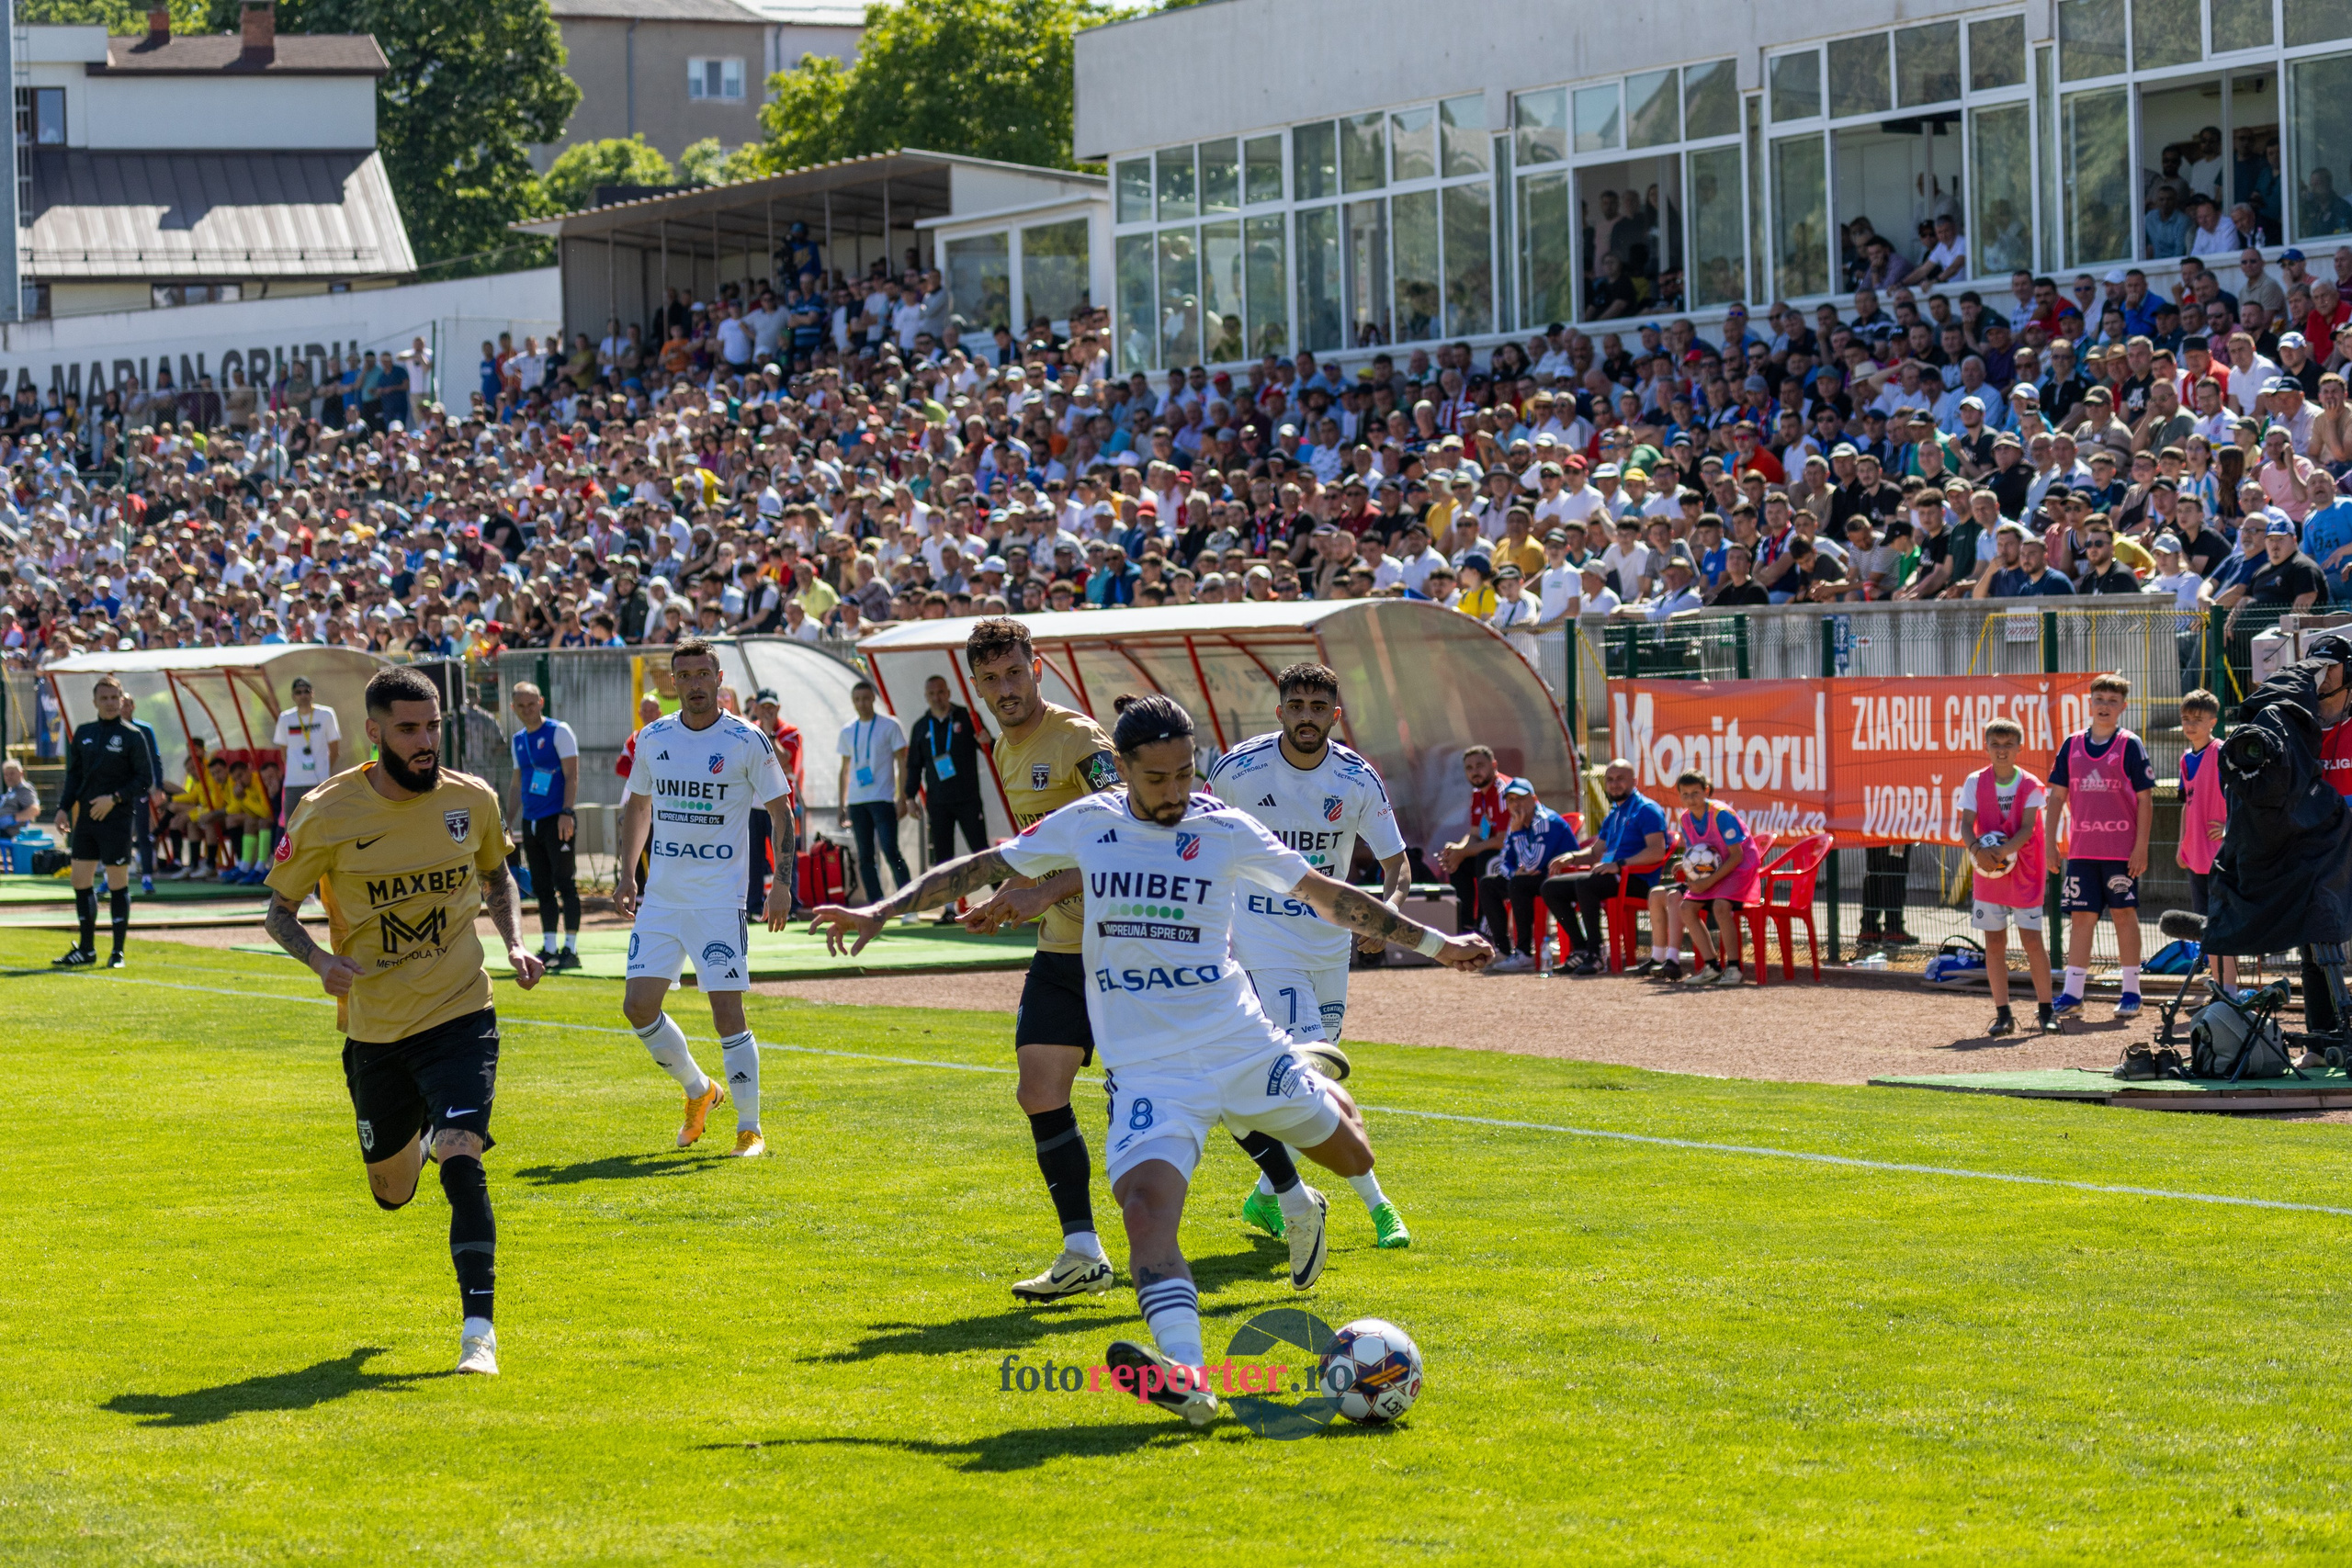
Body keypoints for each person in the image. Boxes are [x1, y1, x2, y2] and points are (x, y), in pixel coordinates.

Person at [808, 693, 1492, 1426]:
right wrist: (880, 910)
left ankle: (1307, 1080)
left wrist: (1436, 942)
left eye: (1184, 773)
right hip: (1149, 1070)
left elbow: (1333, 897)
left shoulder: (1225, 828)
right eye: (1158, 777)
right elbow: (976, 866)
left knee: (1353, 1155)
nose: (1174, 791)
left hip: (1237, 1041)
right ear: (1125, 768)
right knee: (1143, 1212)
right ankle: (1190, 1379)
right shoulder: (1092, 821)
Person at [259, 665, 543, 1377]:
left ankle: (479, 1332)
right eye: (410, 729)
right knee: (393, 1191)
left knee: (461, 1152)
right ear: (375, 731)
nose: (426, 742)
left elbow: (497, 873)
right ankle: (416, 1133)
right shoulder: (328, 812)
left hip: (460, 1011)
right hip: (376, 1028)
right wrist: (321, 962)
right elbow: (278, 912)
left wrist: (512, 939)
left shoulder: (470, 798)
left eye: (434, 726)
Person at [1205, 660, 1414, 1248]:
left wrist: (1388, 911)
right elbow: (1192, 833)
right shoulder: (1239, 771)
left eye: (1317, 708)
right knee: (1308, 1076)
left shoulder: (1356, 779)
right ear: (1280, 712)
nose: (1306, 718)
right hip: (1263, 942)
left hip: (1330, 945)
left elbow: (1397, 863)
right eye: (1296, 707)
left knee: (1306, 1077)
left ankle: (1265, 1196)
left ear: (1334, 716)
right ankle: (1380, 1209)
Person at [947, 618, 1125, 1302]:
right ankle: (1083, 1250)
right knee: (1039, 1088)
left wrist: (1044, 889)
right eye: (989, 679)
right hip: (1060, 946)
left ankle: (1290, 1189)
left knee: (1184, 1094)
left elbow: (1128, 831)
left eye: (1013, 672)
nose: (1004, 688)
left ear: (1037, 666)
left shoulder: (1080, 738)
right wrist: (1006, 896)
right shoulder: (1001, 746)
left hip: (1123, 945)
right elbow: (1040, 847)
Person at [612, 637, 797, 1158]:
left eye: (703, 674)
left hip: (719, 901)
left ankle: (749, 1126)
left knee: (726, 1015)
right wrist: (628, 875)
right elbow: (639, 807)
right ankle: (700, 1091)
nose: (694, 684)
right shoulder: (652, 737)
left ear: (718, 678)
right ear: (674, 682)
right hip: (662, 900)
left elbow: (783, 812)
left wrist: (782, 882)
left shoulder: (747, 740)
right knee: (637, 1006)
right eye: (684, 675)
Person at [2049, 672, 2155, 1021]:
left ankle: (2131, 992)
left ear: (2123, 707)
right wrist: (2050, 843)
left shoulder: (2129, 744)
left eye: (2113, 700)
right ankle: (2073, 993)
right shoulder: (2072, 744)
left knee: (2124, 915)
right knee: (2081, 917)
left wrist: (2141, 847)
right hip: (2081, 850)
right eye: (2100, 699)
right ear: (2089, 703)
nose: (2105, 706)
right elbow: (2057, 796)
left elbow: (2145, 799)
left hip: (2120, 850)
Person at [1959, 718, 2058, 1037]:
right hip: (1989, 871)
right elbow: (1966, 825)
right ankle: (2003, 1015)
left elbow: (2028, 828)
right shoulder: (1975, 782)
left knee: (2032, 940)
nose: (2002, 751)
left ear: (2019, 748)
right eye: (1995, 745)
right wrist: (1977, 849)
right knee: (1994, 942)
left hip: (2024, 870)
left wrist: (2002, 853)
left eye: (2008, 745)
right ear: (1985, 747)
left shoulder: (2030, 784)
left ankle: (2046, 1011)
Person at [51, 673, 152, 968]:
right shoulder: (83, 733)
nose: (109, 703)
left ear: (122, 701)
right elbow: (74, 776)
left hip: (117, 819)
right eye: (104, 698)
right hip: (86, 821)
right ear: (94, 701)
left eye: (114, 698)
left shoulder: (133, 736)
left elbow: (145, 780)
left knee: (117, 882)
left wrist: (115, 798)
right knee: (79, 880)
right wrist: (62, 808)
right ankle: (86, 949)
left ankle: (117, 952)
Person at [1539, 759, 1671, 975]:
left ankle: (1596, 953)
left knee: (1586, 884)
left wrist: (1619, 865)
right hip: (1611, 876)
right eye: (1610, 780)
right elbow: (1594, 852)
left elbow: (1656, 852)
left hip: (1637, 880)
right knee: (1550, 888)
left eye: (1620, 779)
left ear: (1634, 781)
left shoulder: (1647, 810)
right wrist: (1571, 857)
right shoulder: (1614, 813)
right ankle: (1581, 950)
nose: (1614, 784)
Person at [1648, 772, 1759, 986]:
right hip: (1712, 871)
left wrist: (1707, 882)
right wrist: (1687, 862)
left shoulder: (1721, 814)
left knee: (1720, 907)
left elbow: (1737, 856)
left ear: (1706, 791)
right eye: (1685, 794)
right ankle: (1712, 967)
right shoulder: (1685, 817)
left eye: (1696, 793)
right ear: (1680, 796)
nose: (1691, 799)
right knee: (1686, 908)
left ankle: (1734, 968)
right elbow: (1697, 848)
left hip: (1738, 869)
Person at [507, 683, 582, 970]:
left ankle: (570, 949)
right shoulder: (518, 740)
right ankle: (549, 947)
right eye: (521, 706)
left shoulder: (559, 731)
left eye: (532, 704)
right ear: (513, 709)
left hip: (557, 818)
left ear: (541, 702)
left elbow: (572, 774)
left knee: (565, 881)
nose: (528, 710)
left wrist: (567, 811)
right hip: (532, 821)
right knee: (541, 884)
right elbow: (517, 783)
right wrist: (507, 821)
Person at [900, 674, 988, 921]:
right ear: (926, 697)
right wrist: (909, 797)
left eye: (940, 692)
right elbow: (914, 765)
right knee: (943, 856)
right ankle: (949, 908)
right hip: (937, 802)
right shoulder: (921, 726)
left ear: (948, 692)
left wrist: (986, 741)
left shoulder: (966, 717)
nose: (937, 698)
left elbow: (989, 746)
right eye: (931, 694)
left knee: (981, 851)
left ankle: (1001, 900)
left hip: (968, 797)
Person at [2173, 688, 2235, 997]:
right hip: (2195, 853)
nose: (2190, 724)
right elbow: (2186, 802)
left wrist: (2228, 827)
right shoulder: (2185, 758)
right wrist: (2181, 843)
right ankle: (2218, 992)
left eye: (2198, 718)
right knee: (2204, 926)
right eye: (2186, 719)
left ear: (2213, 721)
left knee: (2221, 924)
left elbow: (2243, 797)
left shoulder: (2223, 753)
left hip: (2219, 854)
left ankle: (2231, 992)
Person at [1479, 778, 1577, 974]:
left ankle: (1524, 953)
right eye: (1511, 800)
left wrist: (1517, 835)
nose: (1516, 804)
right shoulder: (1516, 822)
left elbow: (1533, 864)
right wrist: (1514, 871)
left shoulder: (1545, 821)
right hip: (1531, 878)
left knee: (1518, 884)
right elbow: (1504, 861)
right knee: (1488, 884)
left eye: (1521, 799)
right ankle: (1503, 951)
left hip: (1559, 879)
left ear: (1534, 798)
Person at [836, 680, 910, 905]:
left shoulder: (890, 725)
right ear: (853, 701)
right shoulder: (848, 730)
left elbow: (902, 762)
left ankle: (908, 902)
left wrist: (902, 797)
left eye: (866, 698)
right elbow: (845, 769)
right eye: (857, 699)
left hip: (883, 799)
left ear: (873, 699)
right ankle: (877, 904)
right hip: (857, 802)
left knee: (890, 850)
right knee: (865, 856)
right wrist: (842, 804)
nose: (862, 703)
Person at [1435, 745, 1511, 934]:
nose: (1475, 772)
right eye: (1469, 768)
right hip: (1497, 851)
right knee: (1459, 864)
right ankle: (1464, 926)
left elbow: (1502, 841)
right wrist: (1457, 849)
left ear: (1493, 765)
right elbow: (1475, 834)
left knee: (1485, 860)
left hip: (1518, 856)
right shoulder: (1479, 793)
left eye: (1480, 765)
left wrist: (1463, 852)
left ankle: (1485, 929)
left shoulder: (1502, 791)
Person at [271, 675, 342, 827]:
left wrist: (323, 770)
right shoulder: (285, 718)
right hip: (293, 783)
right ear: (293, 696)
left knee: (323, 826)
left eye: (306, 691)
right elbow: (283, 753)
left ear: (312, 693)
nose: (303, 695)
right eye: (298, 692)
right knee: (292, 828)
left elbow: (334, 750)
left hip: (319, 783)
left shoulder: (326, 714)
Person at [117, 694, 165, 896]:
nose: (125, 708)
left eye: (128, 704)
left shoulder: (144, 729)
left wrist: (159, 787)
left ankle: (146, 876)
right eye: (122, 704)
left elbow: (155, 758)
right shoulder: (112, 729)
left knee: (143, 832)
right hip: (118, 790)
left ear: (133, 706)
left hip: (139, 789)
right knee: (119, 833)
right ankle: (115, 877)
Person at [0, 758, 37, 837]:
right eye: (6, 775)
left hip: (10, 832)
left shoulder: (24, 789)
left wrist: (13, 818)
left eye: (12, 773)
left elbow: (34, 810)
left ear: (21, 773)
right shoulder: (11, 790)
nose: (9, 777)